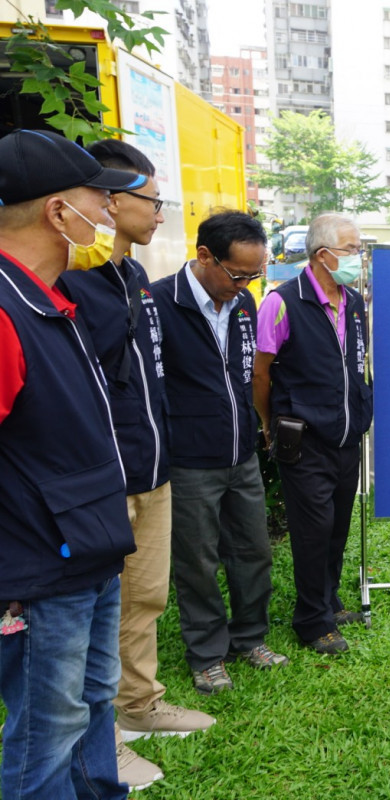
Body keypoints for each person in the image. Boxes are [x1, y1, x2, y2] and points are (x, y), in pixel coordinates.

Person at [57, 139, 214, 790]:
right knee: (94, 612)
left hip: (152, 467)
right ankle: (103, 741)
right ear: (107, 201)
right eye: (150, 200)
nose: (158, 214)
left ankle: (140, 706)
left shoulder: (133, 277)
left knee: (144, 597)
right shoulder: (68, 278)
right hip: (104, 477)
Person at [0, 128, 143, 799]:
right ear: (59, 212)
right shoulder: (5, 310)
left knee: (91, 704)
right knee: (47, 731)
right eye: (101, 199)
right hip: (37, 570)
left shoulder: (53, 300)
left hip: (88, 549)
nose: (111, 212)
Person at [151, 210, 288, 694]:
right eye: (238, 274)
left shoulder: (245, 305)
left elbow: (248, 376)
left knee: (253, 551)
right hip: (190, 462)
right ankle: (207, 653)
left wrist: (258, 427)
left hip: (241, 454)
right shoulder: (158, 302)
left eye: (256, 275)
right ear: (204, 256)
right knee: (197, 561)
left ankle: (249, 638)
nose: (246, 285)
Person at [254, 213, 372, 655]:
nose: (358, 258)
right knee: (313, 529)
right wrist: (270, 423)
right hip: (303, 438)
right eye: (351, 249)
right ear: (324, 255)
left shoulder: (354, 303)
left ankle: (329, 600)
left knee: (338, 525)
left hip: (346, 435)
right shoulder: (281, 302)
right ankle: (311, 620)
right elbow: (260, 373)